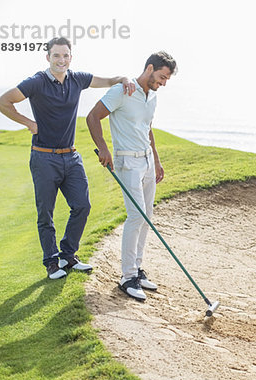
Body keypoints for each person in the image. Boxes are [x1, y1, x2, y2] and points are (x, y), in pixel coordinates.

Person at [0, 36, 135, 280]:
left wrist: (123, 78)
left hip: (71, 157)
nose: (61, 60)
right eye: (56, 55)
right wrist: (29, 123)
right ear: (48, 57)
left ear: (71, 57)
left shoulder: (77, 79)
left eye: (65, 55)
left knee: (82, 206)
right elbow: (2, 102)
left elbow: (108, 80)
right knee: (45, 213)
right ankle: (51, 262)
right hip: (43, 157)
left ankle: (68, 255)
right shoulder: (36, 82)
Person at [86, 51, 177, 301]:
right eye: (161, 77)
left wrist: (156, 160)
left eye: (166, 79)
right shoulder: (122, 91)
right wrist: (103, 148)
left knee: (146, 215)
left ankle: (136, 268)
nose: (163, 83)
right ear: (149, 68)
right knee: (136, 215)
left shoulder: (152, 97)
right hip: (127, 161)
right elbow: (93, 117)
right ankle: (127, 277)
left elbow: (148, 128)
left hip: (147, 161)